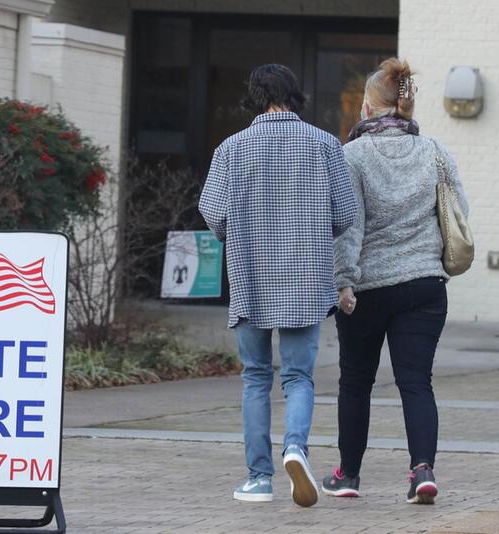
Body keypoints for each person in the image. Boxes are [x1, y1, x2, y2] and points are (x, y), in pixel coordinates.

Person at [199, 63, 357, 507]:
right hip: (305, 278)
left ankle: (259, 479)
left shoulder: (231, 148)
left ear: (254, 96)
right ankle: (295, 450)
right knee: (298, 376)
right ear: (294, 96)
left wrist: (246, 230)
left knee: (254, 378)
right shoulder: (325, 144)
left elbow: (213, 213)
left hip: (251, 276)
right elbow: (345, 214)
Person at [321, 58, 469, 505]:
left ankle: (348, 476)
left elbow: (348, 226)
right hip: (424, 284)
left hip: (367, 290)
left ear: (367, 107)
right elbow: (458, 209)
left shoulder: (353, 156)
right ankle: (422, 471)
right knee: (416, 381)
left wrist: (343, 282)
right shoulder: (435, 151)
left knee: (355, 381)